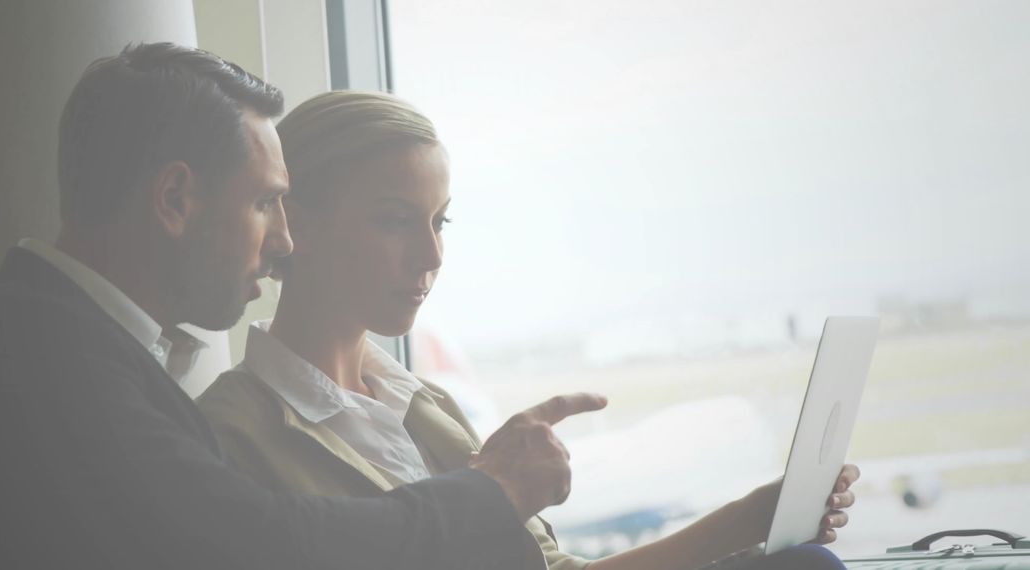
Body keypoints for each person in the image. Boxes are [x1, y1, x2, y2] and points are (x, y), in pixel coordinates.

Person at [0, 43, 606, 569]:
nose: (283, 238)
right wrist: (494, 491)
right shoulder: (44, 362)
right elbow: (267, 541)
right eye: (265, 203)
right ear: (175, 200)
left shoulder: (48, 337)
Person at [197, 90, 860, 570]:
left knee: (804, 563)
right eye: (396, 220)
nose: (431, 257)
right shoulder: (229, 436)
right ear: (297, 223)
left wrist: (751, 518)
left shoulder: (425, 408)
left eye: (440, 223)